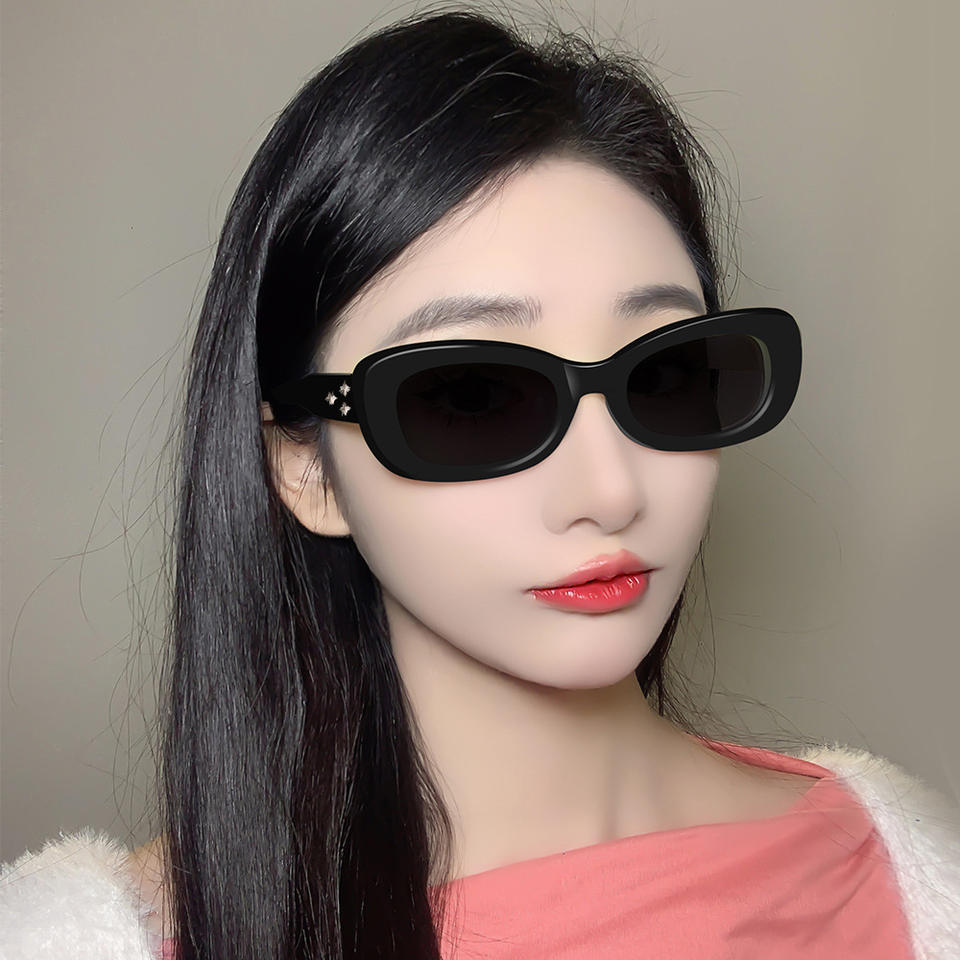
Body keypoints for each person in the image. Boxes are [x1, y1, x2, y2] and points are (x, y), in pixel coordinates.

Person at [2, 6, 958, 960]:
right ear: (305, 467)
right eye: (473, 394)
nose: (610, 491)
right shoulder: (102, 941)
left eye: (662, 373)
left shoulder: (905, 884)